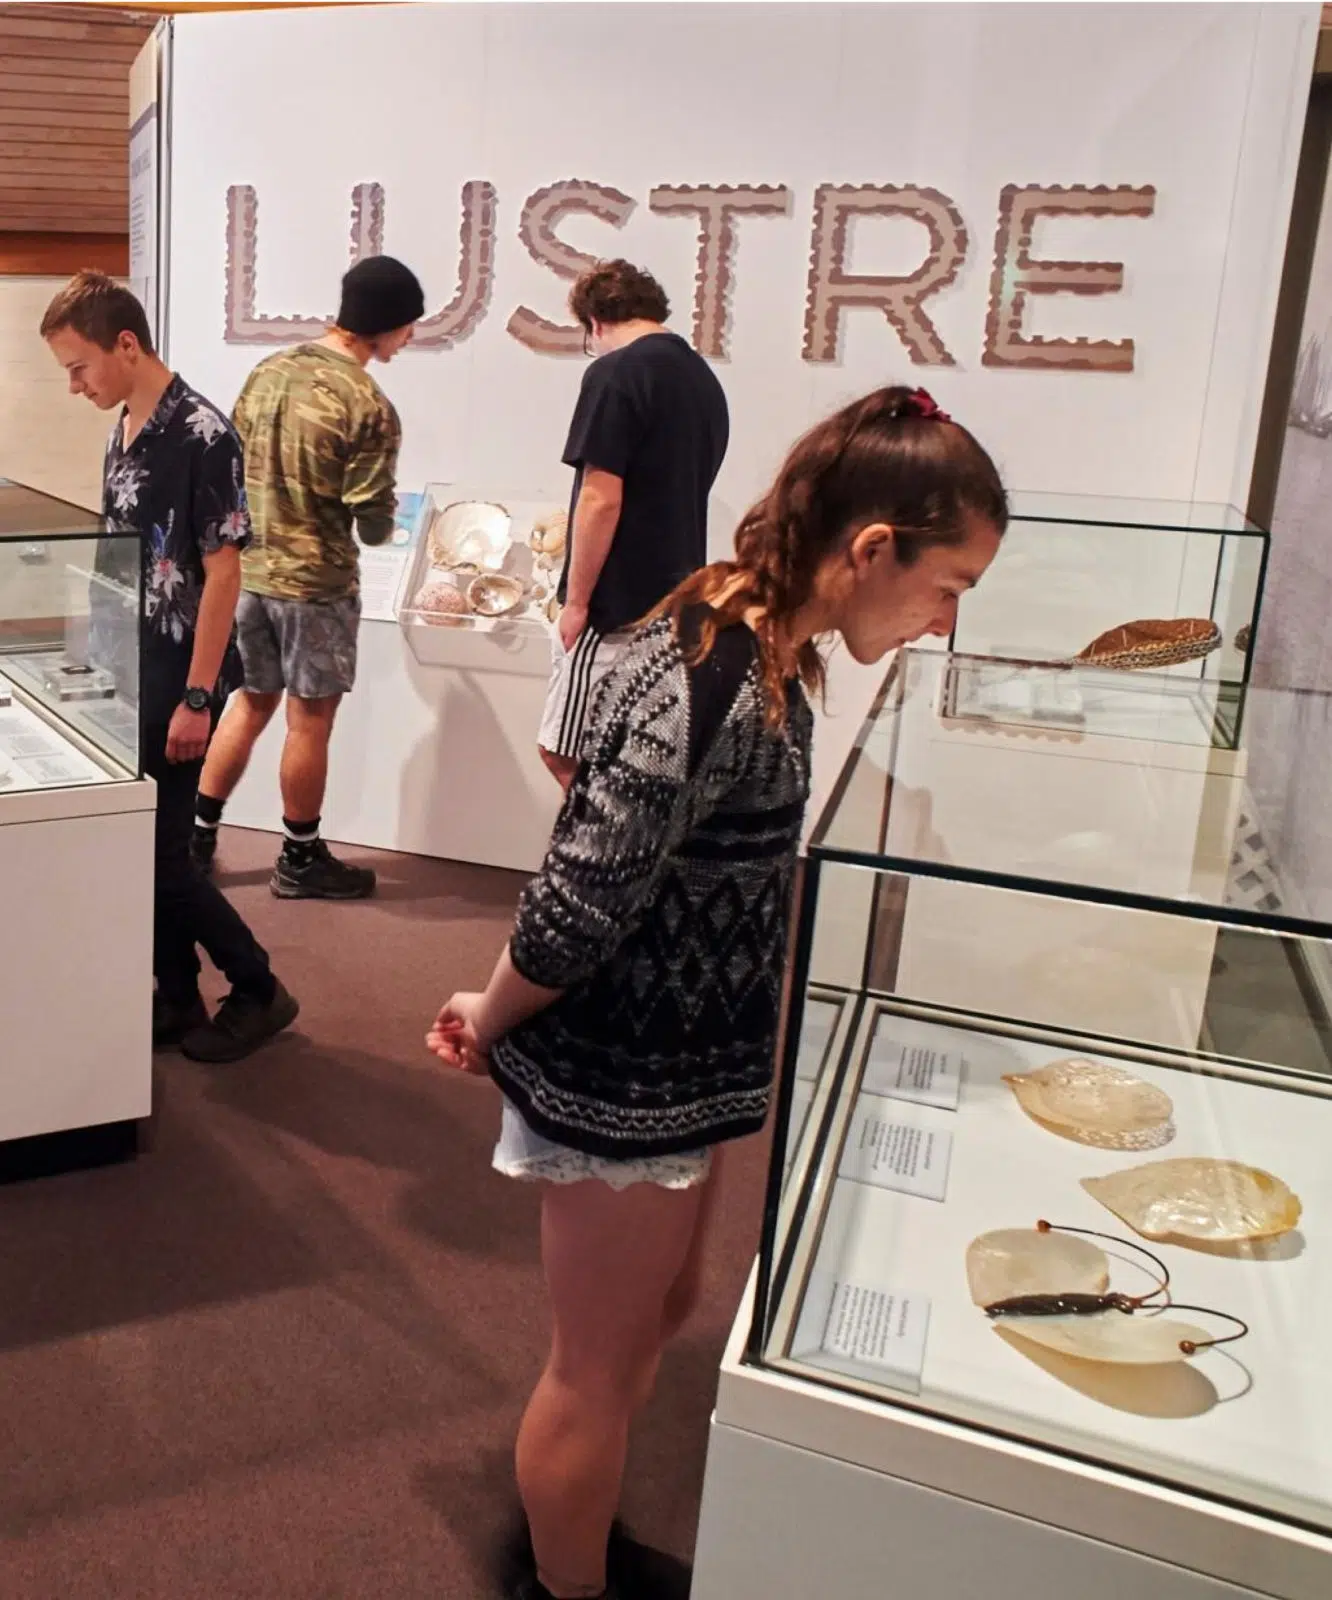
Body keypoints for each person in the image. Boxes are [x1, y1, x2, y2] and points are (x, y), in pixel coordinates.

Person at [427, 385, 1008, 1600]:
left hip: (680, 1062)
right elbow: (581, 894)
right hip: (624, 1073)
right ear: (871, 549)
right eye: (948, 585)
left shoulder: (762, 647)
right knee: (594, 1366)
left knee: (658, 1315)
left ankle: (578, 1541)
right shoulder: (721, 674)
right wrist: (487, 1010)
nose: (946, 620)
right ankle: (564, 1583)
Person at [41, 272, 298, 1064]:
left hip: (178, 677)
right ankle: (179, 992)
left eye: (79, 367)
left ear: (126, 344)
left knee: (164, 858)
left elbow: (224, 573)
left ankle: (257, 986)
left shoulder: (203, 434)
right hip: (126, 669)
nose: (75, 386)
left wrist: (197, 695)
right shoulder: (122, 427)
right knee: (140, 847)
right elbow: (116, 557)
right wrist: (89, 656)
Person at [191, 254, 425, 898]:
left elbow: (232, 465)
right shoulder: (368, 403)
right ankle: (299, 858)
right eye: (409, 325)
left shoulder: (268, 372)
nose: (410, 337)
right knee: (309, 722)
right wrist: (383, 517)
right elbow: (373, 525)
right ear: (386, 324)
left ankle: (197, 838)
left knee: (248, 703)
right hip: (316, 585)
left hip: (249, 574)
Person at [539, 258, 729, 790]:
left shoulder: (615, 373)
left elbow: (600, 498)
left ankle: (599, 846)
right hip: (675, 601)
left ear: (595, 322)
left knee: (565, 752)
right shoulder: (703, 381)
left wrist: (577, 603)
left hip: (615, 603)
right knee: (635, 758)